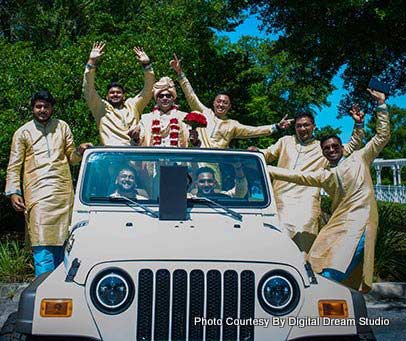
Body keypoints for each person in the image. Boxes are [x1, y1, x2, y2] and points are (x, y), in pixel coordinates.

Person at [268, 89, 390, 292]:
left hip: (361, 219)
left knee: (336, 265)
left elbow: (381, 136)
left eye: (335, 147)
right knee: (316, 257)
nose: (331, 150)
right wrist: (264, 166)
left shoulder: (359, 158)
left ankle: (325, 298)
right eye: (327, 149)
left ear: (341, 148)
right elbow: (297, 176)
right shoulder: (326, 175)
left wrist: (380, 106)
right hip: (337, 221)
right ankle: (316, 293)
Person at [5, 90, 92, 277]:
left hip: (62, 193)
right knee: (42, 243)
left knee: (64, 243)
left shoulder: (62, 127)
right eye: (38, 106)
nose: (42, 110)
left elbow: (72, 158)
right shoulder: (23, 132)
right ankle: (43, 289)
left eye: (46, 106)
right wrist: (13, 192)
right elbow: (14, 166)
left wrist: (79, 150)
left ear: (52, 108)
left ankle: (61, 294)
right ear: (33, 108)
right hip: (37, 194)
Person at [252, 108, 365, 252]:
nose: (302, 128)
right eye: (299, 125)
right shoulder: (285, 141)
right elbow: (265, 155)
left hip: (307, 207)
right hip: (280, 204)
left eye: (306, 125)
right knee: (275, 249)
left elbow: (351, 146)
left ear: (313, 126)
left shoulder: (323, 148)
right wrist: (255, 151)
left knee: (303, 253)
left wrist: (359, 125)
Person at [169, 54, 292, 148]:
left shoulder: (232, 125)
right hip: (197, 161)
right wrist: (180, 74)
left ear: (229, 106)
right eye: (219, 101)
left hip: (218, 165)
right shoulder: (204, 112)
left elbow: (254, 130)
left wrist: (276, 127)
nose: (221, 104)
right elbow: (191, 95)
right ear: (213, 103)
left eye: (225, 103)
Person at [82, 42, 155, 146]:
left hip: (133, 154)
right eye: (112, 93)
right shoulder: (101, 108)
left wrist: (147, 66)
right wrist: (91, 62)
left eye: (118, 92)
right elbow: (88, 89)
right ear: (107, 97)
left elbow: (148, 90)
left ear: (123, 96)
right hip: (112, 155)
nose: (115, 94)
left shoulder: (133, 105)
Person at [134, 76, 192, 147]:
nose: (165, 98)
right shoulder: (146, 118)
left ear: (173, 98)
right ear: (156, 99)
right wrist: (135, 137)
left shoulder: (184, 117)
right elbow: (139, 141)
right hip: (153, 156)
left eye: (168, 96)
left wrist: (194, 140)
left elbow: (190, 142)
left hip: (176, 156)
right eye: (161, 96)